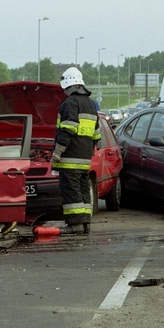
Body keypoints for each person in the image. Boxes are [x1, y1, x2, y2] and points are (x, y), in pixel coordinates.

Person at [51, 67, 101, 234]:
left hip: (70, 156)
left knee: (70, 189)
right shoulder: (91, 104)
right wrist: (92, 149)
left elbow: (68, 129)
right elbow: (96, 132)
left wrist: (58, 152)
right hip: (85, 157)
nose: (64, 92)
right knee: (83, 188)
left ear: (68, 85)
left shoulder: (70, 103)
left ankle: (74, 224)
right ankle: (85, 222)